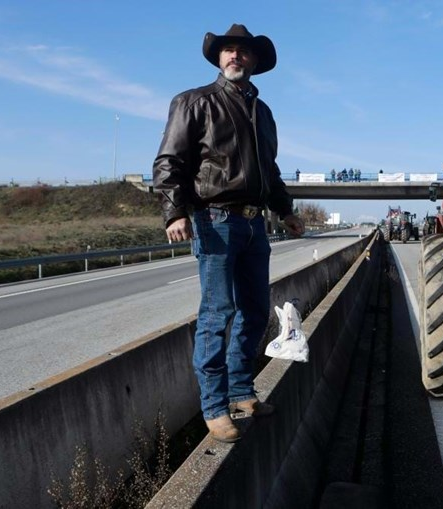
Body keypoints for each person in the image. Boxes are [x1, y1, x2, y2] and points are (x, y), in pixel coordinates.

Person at [153, 23, 305, 443]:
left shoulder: (263, 111)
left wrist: (286, 211)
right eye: (228, 51)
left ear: (254, 61)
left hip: (256, 223)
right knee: (217, 314)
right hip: (214, 219)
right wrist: (174, 212)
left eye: (242, 51)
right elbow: (169, 162)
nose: (235, 56)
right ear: (219, 59)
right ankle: (215, 407)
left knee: (255, 310)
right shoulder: (194, 102)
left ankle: (241, 391)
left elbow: (269, 171)